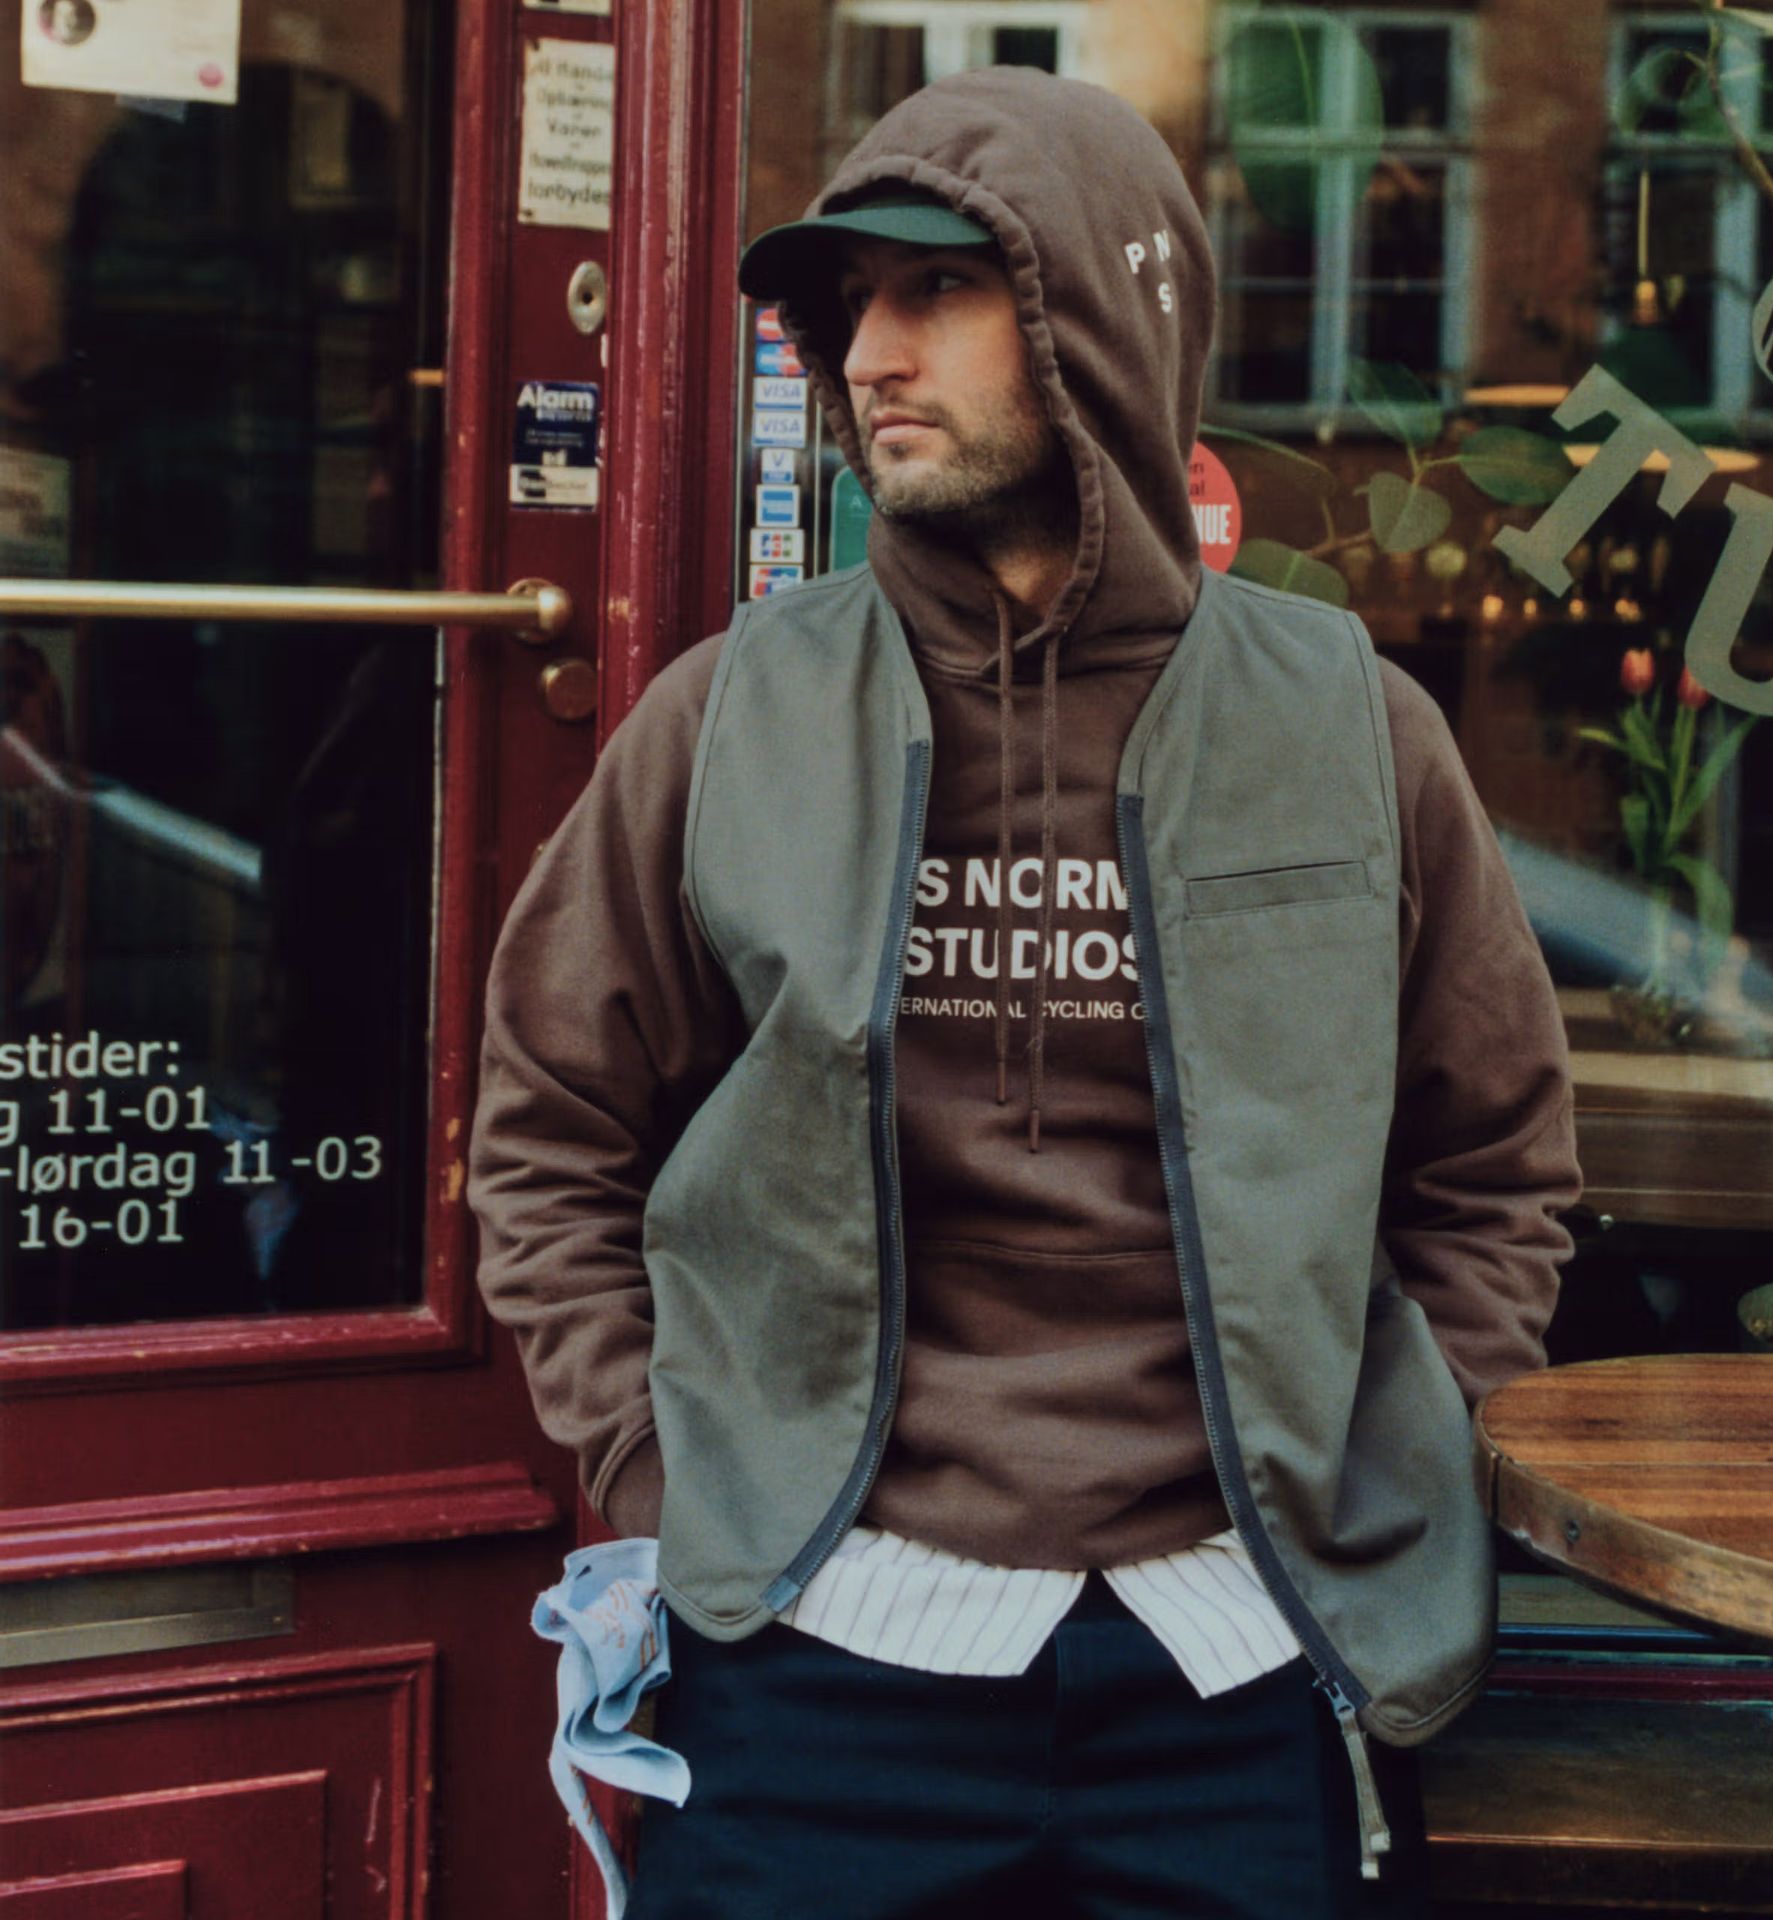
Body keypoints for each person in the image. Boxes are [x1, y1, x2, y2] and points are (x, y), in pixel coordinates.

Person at [471, 67, 1581, 1920]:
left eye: (934, 293)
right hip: (823, 1646)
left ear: (1099, 324)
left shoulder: (1347, 729)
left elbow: (1497, 1167)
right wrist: (670, 1477)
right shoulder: (732, 718)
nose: (868, 358)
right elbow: (544, 1132)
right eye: (845, 313)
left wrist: (1399, 1461)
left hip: (1243, 1656)